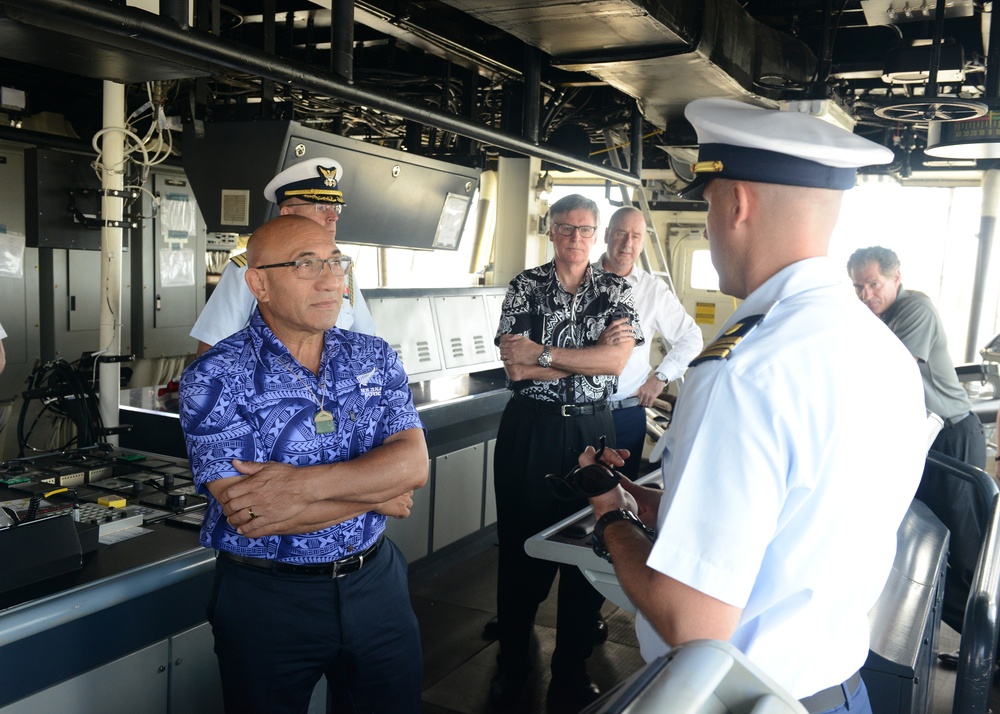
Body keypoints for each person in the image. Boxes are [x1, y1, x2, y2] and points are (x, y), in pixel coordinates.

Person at [580, 98, 926, 713]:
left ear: (736, 204)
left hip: (738, 699)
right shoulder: (885, 352)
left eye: (707, 203)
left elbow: (694, 624)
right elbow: (790, 522)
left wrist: (611, 517)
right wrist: (647, 501)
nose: (709, 224)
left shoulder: (744, 372)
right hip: (839, 694)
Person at [178, 214, 427, 714]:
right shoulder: (215, 376)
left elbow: (414, 464)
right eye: (306, 264)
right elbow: (250, 516)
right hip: (267, 599)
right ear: (259, 283)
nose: (332, 278)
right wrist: (376, 493)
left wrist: (301, 488)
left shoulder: (373, 356)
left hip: (376, 585)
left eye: (336, 262)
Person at [491, 193, 643, 712]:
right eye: (565, 228)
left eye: (584, 230)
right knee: (518, 547)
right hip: (530, 431)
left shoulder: (617, 290)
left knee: (590, 543)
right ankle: (513, 662)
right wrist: (585, 359)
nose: (575, 238)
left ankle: (571, 671)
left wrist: (546, 355)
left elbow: (616, 364)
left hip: (592, 432)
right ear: (551, 232)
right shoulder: (524, 287)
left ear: (595, 234)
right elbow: (516, 369)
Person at [847, 245, 987, 644]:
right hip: (920, 441)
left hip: (952, 438)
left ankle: (989, 653)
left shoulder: (914, 310)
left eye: (873, 284)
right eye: (858, 286)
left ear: (896, 278)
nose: (865, 295)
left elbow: (891, 373)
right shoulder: (873, 316)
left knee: (963, 551)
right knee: (928, 542)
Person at [190, 157, 376, 356]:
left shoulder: (341, 269)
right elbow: (212, 350)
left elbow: (366, 342)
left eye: (335, 208)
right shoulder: (251, 268)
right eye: (320, 207)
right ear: (288, 213)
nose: (333, 216)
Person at [598, 206, 703, 479]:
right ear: (607, 235)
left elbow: (691, 337)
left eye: (635, 236)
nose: (627, 243)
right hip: (578, 414)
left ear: (642, 243)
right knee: (573, 501)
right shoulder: (578, 280)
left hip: (627, 415)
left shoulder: (653, 290)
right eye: (621, 233)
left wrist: (660, 377)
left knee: (623, 498)